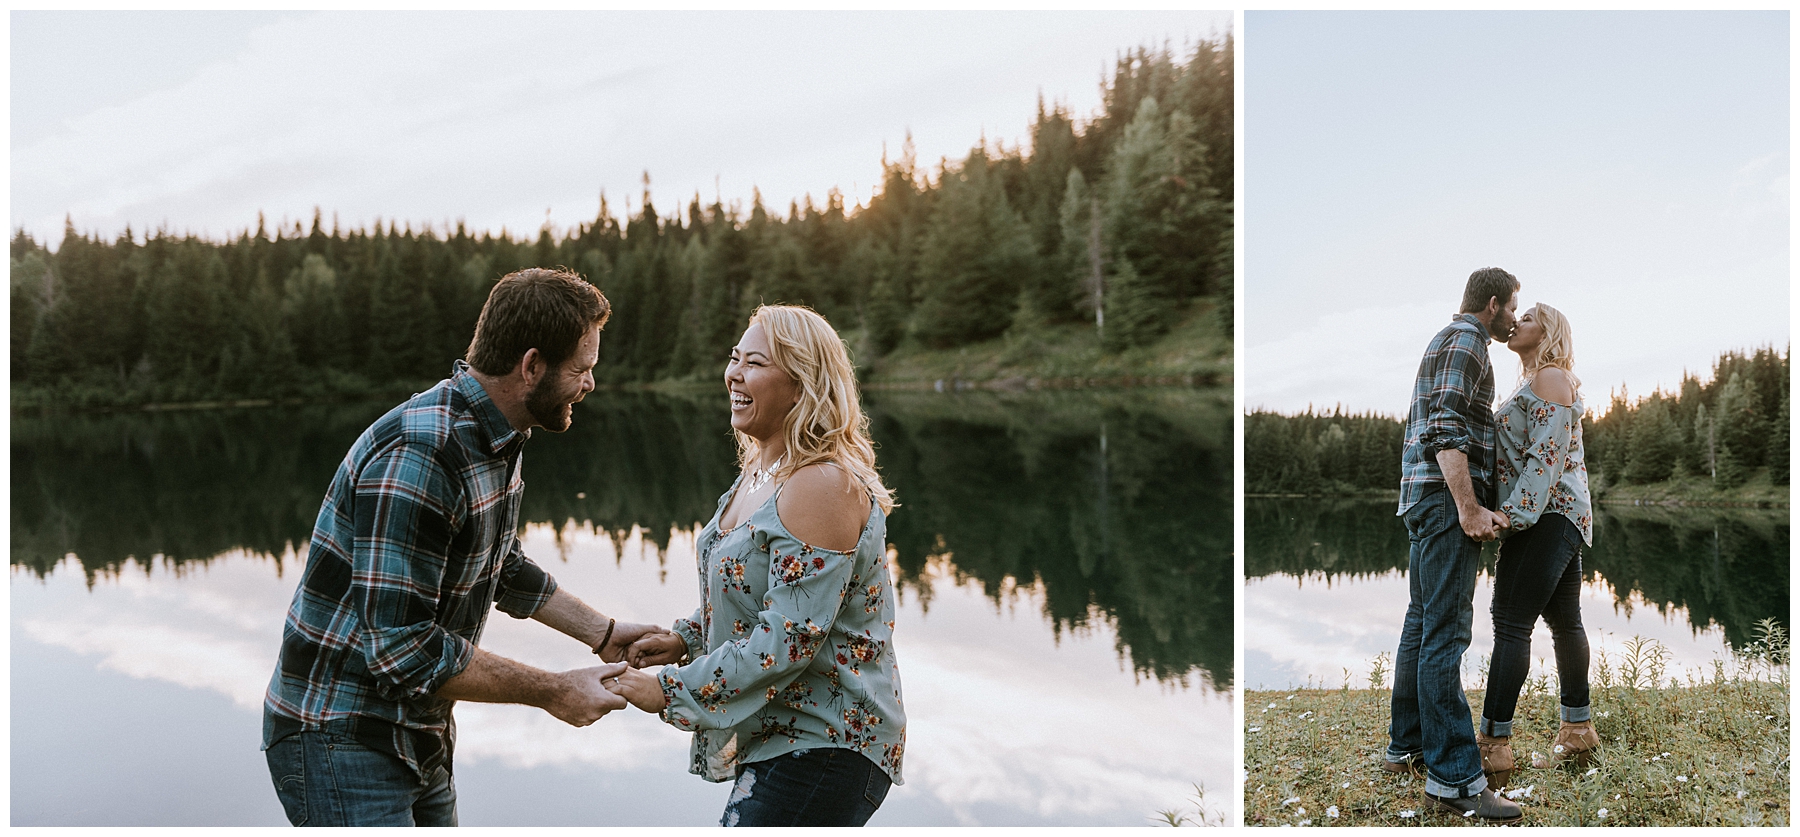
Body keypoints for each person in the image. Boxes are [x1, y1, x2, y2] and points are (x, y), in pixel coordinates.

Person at [261, 267, 682, 826]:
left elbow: (498, 563)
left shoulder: (499, 435)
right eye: (582, 369)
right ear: (531, 367)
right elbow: (401, 649)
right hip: (341, 735)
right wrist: (552, 690)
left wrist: (602, 633)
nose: (590, 384)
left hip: (419, 730)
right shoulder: (421, 454)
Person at [605, 304, 906, 827]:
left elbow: (786, 639)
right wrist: (685, 638)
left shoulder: (820, 484)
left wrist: (669, 691)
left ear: (802, 385)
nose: (734, 374)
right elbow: (763, 596)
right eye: (734, 358)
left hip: (827, 743)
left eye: (756, 363)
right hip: (784, 740)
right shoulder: (762, 472)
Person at [1384, 267, 1522, 823]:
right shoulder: (1468, 341)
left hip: (1420, 497)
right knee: (1446, 632)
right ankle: (1455, 781)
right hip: (1444, 502)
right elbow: (1444, 428)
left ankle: (1407, 746)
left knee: (1421, 622)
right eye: (1514, 306)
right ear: (1493, 304)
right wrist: (1468, 506)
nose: (1515, 316)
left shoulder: (1445, 338)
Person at [1474, 302, 1598, 786]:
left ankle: (1493, 744)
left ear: (1547, 332)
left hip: (1546, 515)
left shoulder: (1550, 377)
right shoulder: (1534, 380)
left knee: (1510, 621)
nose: (1516, 323)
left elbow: (1546, 457)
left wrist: (1512, 515)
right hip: (1559, 514)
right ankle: (1577, 729)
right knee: (1565, 622)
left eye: (1527, 318)